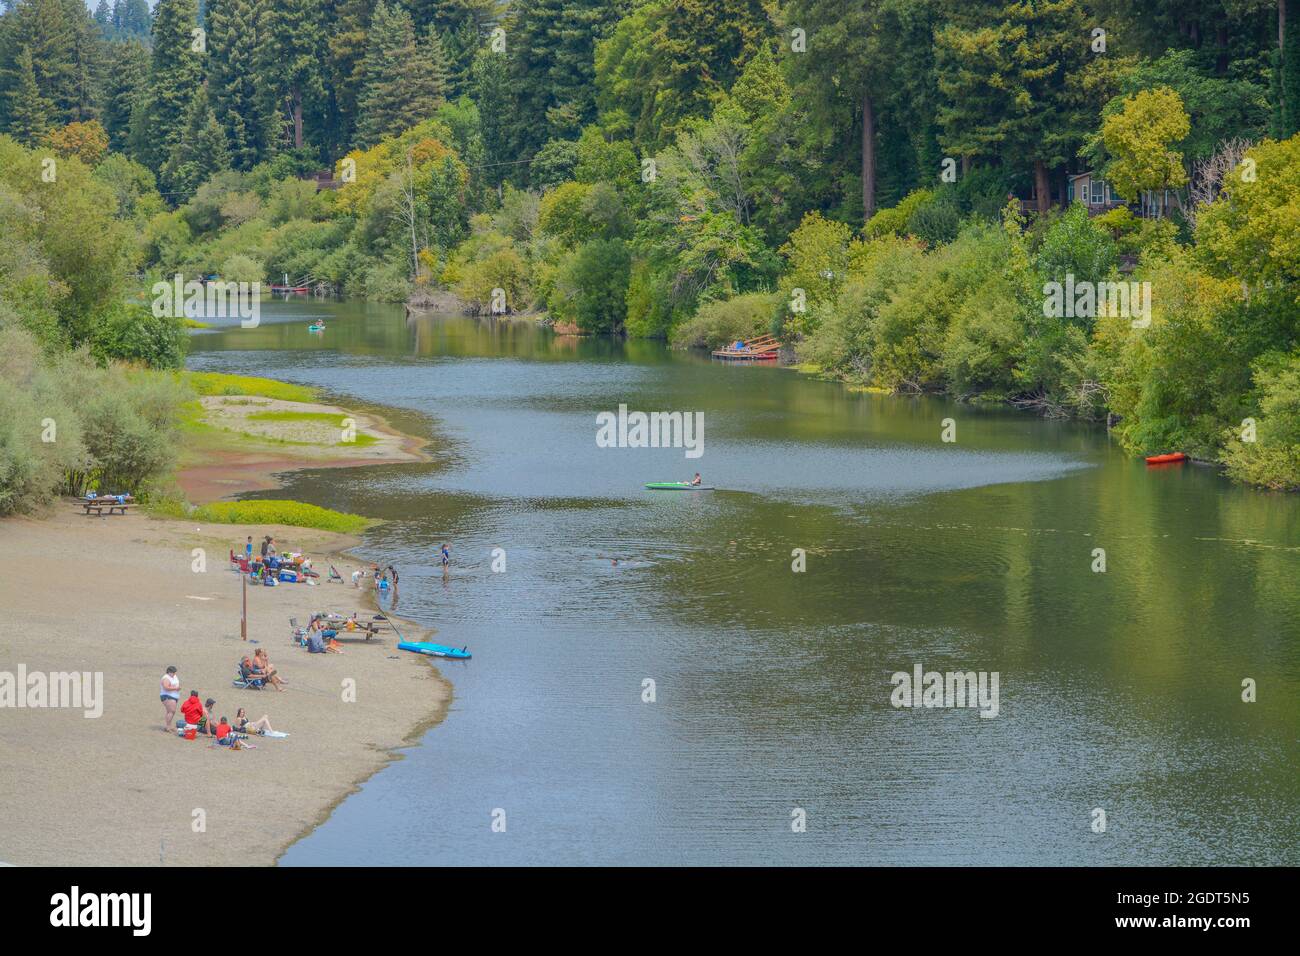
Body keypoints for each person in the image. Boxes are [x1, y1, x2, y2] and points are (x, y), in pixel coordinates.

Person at [160, 666, 181, 732]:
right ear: (169, 672)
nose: (174, 674)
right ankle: (168, 727)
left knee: (170, 711)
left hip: (174, 696)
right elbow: (166, 687)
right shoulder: (166, 678)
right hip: (167, 696)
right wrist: (175, 688)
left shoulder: (174, 676)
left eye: (175, 672)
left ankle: (169, 726)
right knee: (172, 711)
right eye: (173, 673)